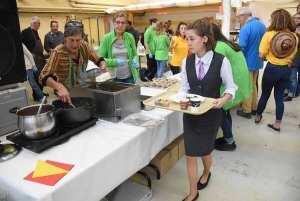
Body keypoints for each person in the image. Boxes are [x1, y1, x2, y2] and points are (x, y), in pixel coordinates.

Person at [179, 18, 237, 201]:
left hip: (211, 115)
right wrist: (182, 98)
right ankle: (193, 192)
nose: (188, 43)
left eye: (192, 38)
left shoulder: (221, 61)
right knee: (190, 155)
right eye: (186, 38)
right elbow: (184, 87)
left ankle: (207, 172)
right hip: (190, 115)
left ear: (204, 39)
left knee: (204, 151)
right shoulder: (186, 62)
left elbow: (231, 87)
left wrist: (224, 99)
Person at [39, 21, 107, 105]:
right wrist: (59, 87)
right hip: (66, 96)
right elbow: (43, 76)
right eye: (71, 40)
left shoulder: (84, 46)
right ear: (65, 39)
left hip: (84, 92)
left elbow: (98, 59)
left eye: (78, 40)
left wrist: (103, 65)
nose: (75, 44)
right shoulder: (58, 52)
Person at [255, 9, 298, 133]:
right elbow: (293, 54)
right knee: (279, 98)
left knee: (264, 95)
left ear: (275, 20)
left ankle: (258, 117)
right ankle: (277, 124)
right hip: (286, 69)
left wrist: (269, 55)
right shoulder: (294, 36)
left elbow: (261, 55)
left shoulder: (269, 35)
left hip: (272, 68)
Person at [211, 23, 252, 151]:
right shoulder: (225, 43)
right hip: (239, 80)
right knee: (226, 110)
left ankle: (229, 141)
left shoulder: (218, 47)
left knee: (220, 111)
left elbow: (215, 70)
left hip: (232, 82)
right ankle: (228, 137)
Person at [236, 7, 266, 119]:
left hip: (247, 62)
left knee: (247, 86)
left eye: (238, 17)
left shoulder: (245, 28)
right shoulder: (261, 25)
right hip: (257, 61)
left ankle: (246, 110)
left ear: (244, 15)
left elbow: (241, 47)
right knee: (253, 85)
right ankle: (254, 108)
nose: (239, 20)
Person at [99, 11, 139, 84]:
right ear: (113, 22)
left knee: (129, 95)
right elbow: (100, 60)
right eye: (117, 22)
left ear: (126, 24)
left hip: (129, 76)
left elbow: (135, 54)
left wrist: (135, 60)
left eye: (123, 23)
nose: (120, 25)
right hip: (114, 77)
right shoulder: (106, 38)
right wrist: (115, 61)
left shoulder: (130, 37)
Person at [21, 16, 48, 99]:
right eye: (39, 23)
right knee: (35, 78)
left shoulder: (35, 32)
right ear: (35, 23)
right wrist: (28, 54)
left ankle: (41, 91)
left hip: (39, 58)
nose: (40, 25)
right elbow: (21, 45)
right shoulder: (25, 32)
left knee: (40, 76)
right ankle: (36, 95)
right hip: (32, 59)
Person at [283, 13, 300, 101]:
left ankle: (291, 93)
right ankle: (286, 91)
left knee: (293, 76)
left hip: (297, 57)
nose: (297, 20)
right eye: (295, 18)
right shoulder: (290, 29)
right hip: (289, 56)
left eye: (299, 18)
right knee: (288, 75)